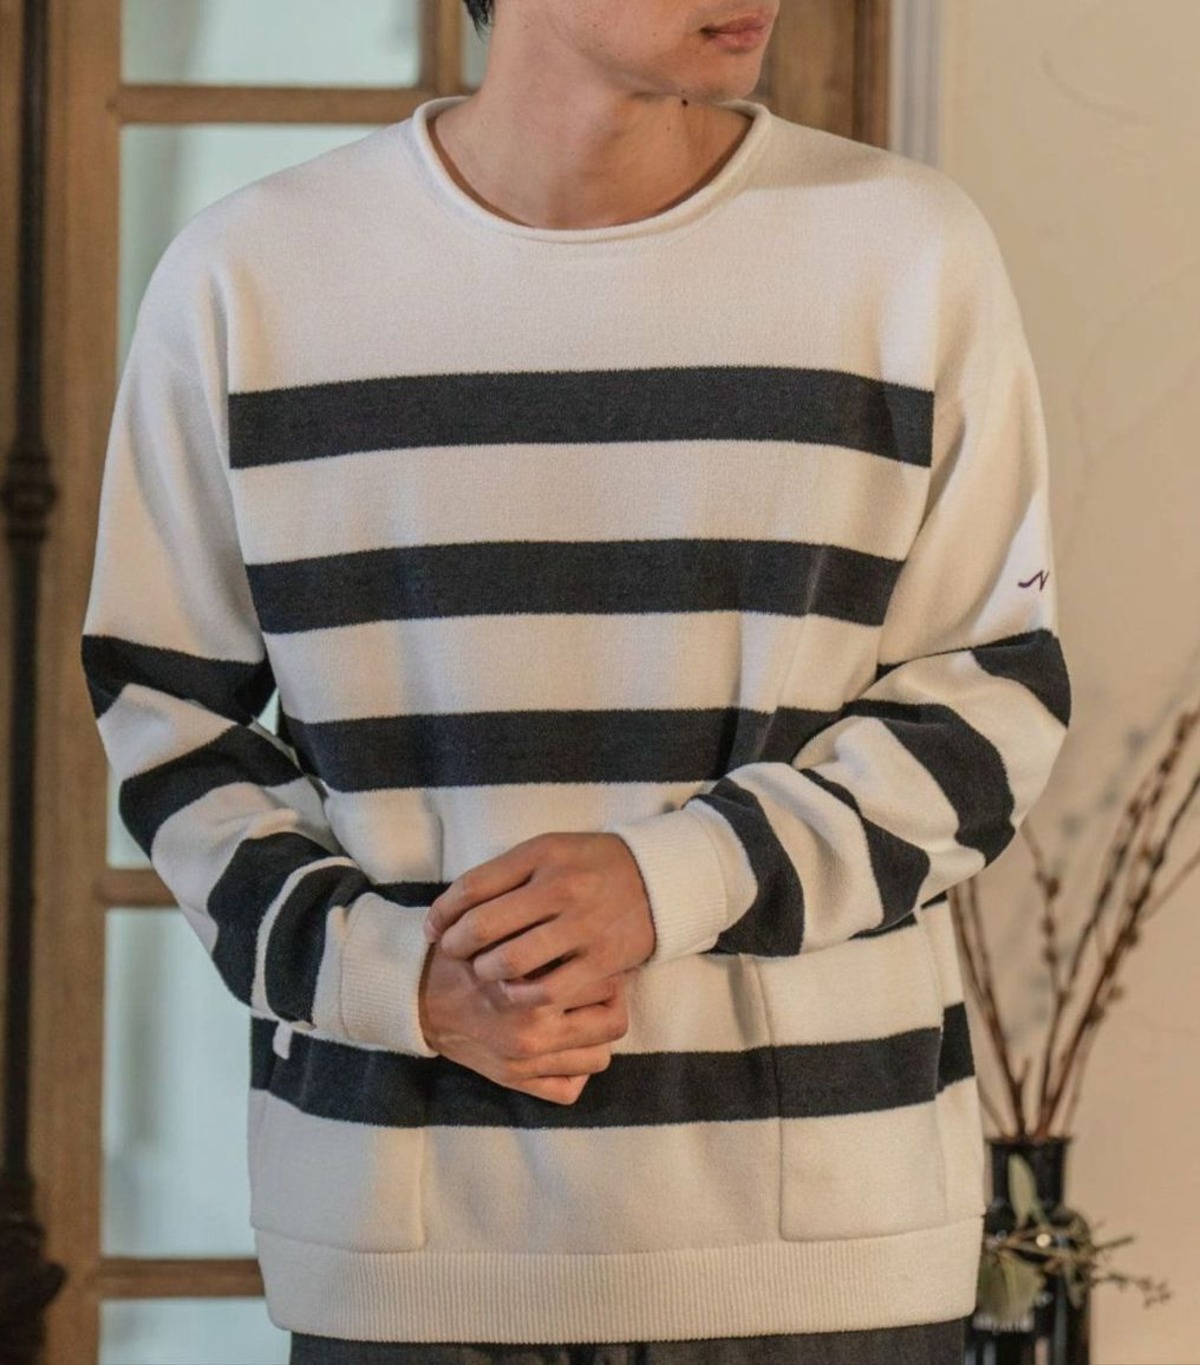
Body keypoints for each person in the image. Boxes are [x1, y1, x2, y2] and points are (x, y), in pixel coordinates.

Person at [80, 0, 1073, 1361]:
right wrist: (395, 978)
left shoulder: (906, 252)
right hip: (404, 1244)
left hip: (825, 1258)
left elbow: (992, 696)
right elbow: (167, 722)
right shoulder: (247, 279)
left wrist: (676, 878)